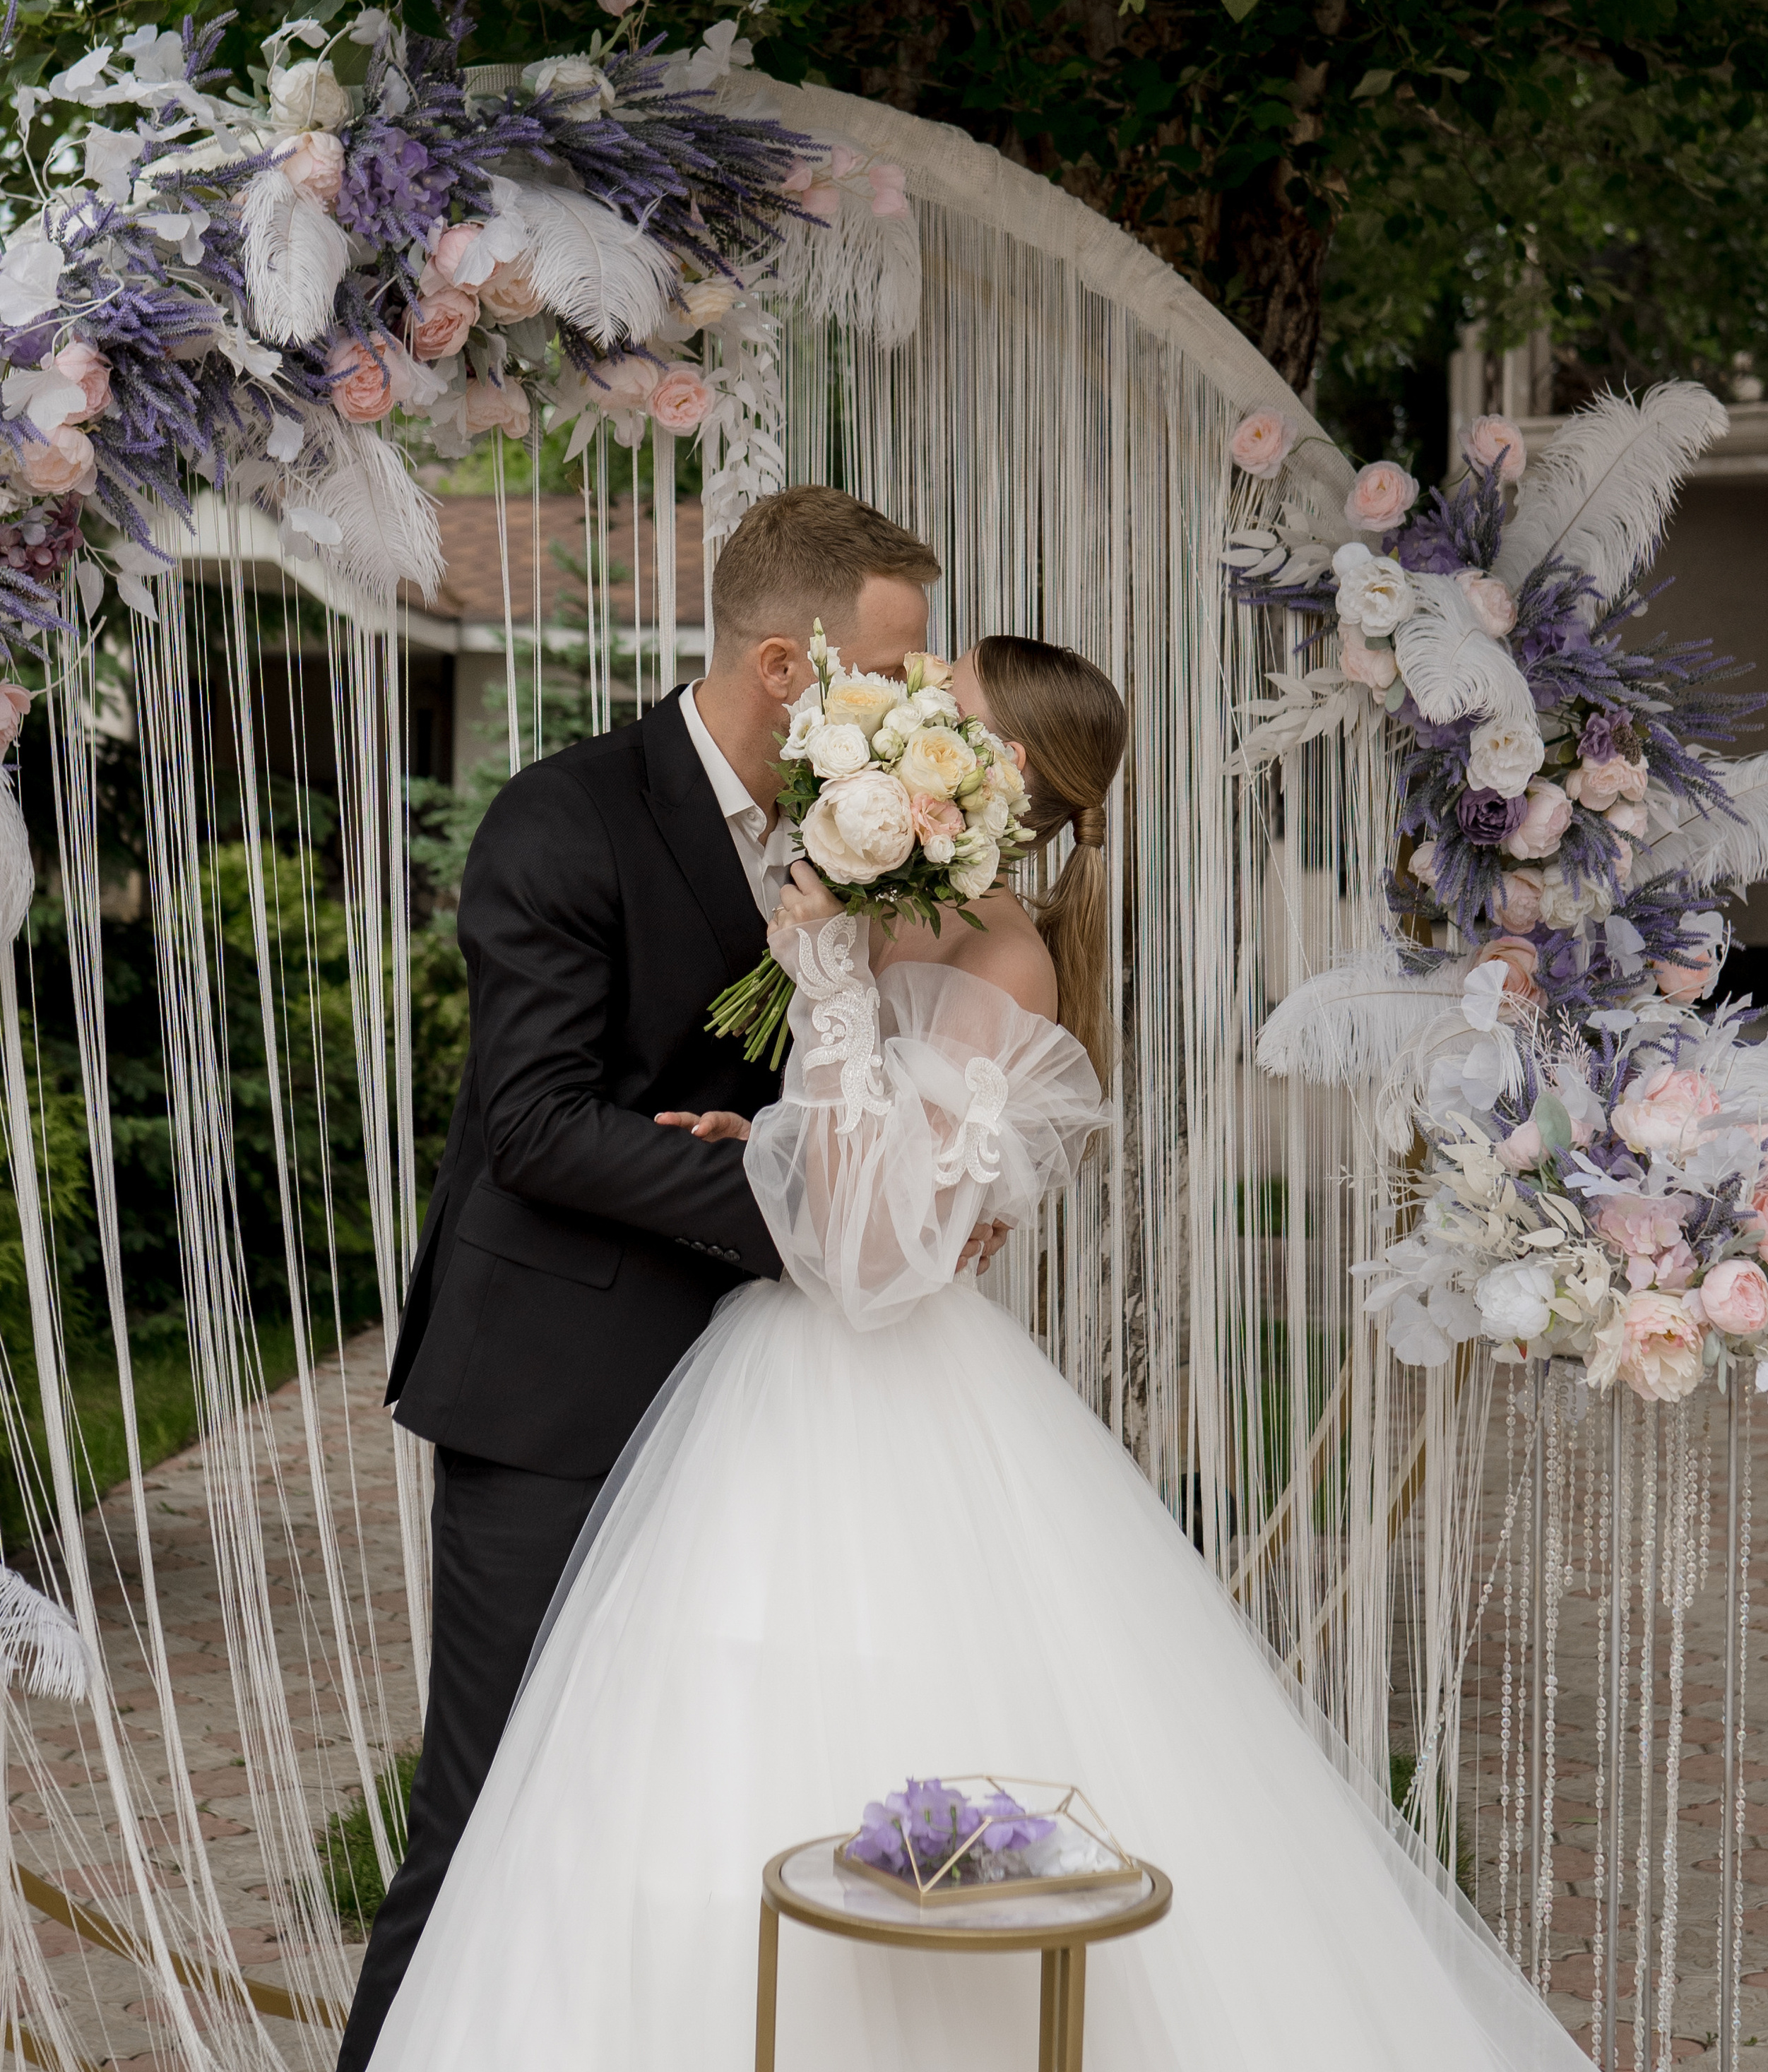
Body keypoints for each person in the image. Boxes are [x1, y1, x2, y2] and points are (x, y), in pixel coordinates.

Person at [366, 636, 1591, 2072]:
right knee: (672, 1752)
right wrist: (755, 1142)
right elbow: (858, 1167)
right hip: (760, 1371)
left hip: (868, 1389)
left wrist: (823, 992)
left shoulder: (1002, 955)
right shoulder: (898, 920)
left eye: (934, 706)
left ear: (990, 776)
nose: (897, 712)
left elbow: (880, 1256)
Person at [334, 485, 946, 2072]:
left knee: (685, 1823)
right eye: (892, 670)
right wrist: (789, 1190)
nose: (919, 704)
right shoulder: (563, 814)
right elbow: (532, 1125)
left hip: (749, 1412)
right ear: (779, 667)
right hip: (555, 1395)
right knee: (488, 1819)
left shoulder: (848, 837)